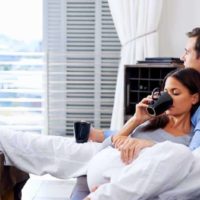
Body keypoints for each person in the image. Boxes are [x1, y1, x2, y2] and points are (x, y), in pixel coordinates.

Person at [0, 68, 200, 200]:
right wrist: (136, 120)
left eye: (175, 93)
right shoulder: (151, 123)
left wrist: (144, 145)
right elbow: (114, 142)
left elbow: (167, 168)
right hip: (105, 154)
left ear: (194, 98)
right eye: (165, 92)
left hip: (124, 169)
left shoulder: (187, 141)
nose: (168, 98)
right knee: (44, 145)